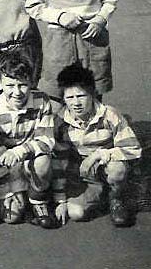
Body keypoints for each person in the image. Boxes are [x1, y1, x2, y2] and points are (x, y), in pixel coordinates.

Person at [52, 63, 142, 227]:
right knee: (76, 213)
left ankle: (117, 197)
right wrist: (60, 200)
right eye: (70, 98)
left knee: (117, 169)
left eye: (81, 96)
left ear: (92, 94)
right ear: (63, 99)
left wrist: (98, 154)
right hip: (83, 176)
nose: (76, 103)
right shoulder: (61, 121)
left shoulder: (109, 114)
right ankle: (101, 196)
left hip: (107, 167)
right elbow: (58, 162)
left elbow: (133, 149)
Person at [0, 52, 57, 228]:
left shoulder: (42, 100)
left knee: (43, 161)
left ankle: (38, 201)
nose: (17, 92)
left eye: (23, 85)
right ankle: (20, 195)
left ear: (31, 82)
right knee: (12, 217)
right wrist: (6, 192)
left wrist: (20, 150)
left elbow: (46, 140)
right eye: (10, 85)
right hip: (6, 168)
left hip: (30, 159)